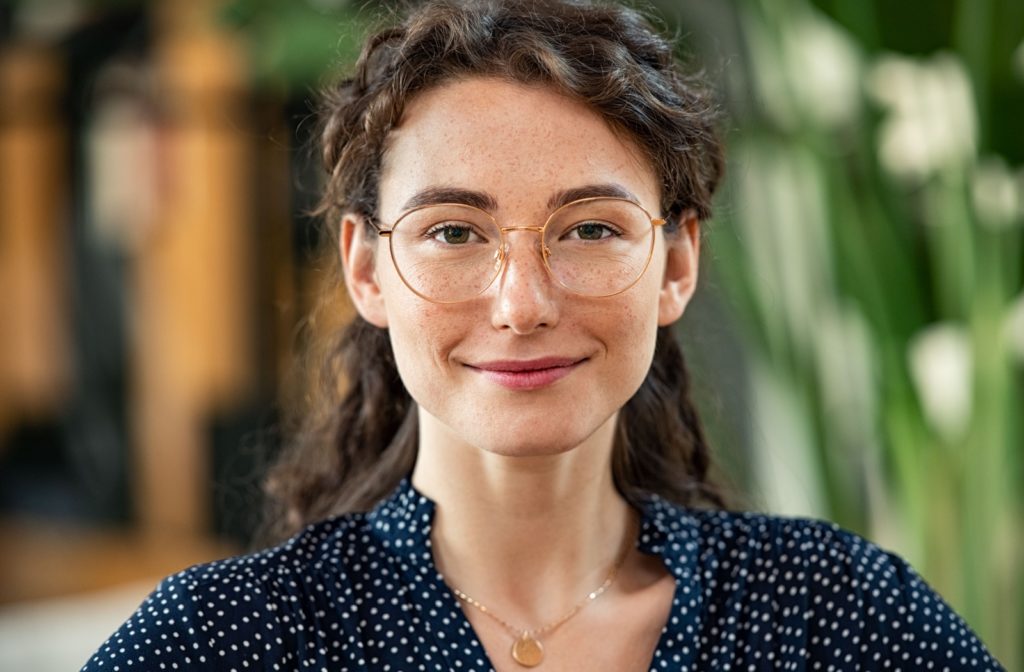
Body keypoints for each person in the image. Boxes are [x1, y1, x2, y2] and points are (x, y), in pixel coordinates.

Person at [82, 0, 1004, 670]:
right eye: (453, 232)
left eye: (591, 229)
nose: (522, 304)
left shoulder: (832, 617)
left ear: (677, 263)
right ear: (366, 268)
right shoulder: (228, 640)